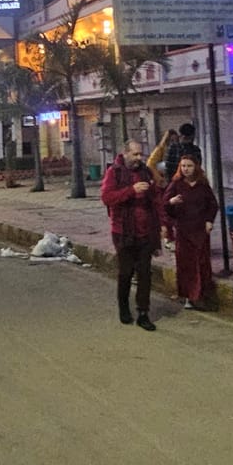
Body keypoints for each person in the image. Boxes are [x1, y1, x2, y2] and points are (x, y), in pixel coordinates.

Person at [101, 138, 166, 331]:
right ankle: (124, 308)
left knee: (145, 273)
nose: (138, 158)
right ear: (125, 153)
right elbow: (107, 197)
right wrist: (131, 190)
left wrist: (163, 224)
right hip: (123, 231)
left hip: (145, 231)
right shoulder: (115, 172)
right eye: (135, 154)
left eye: (140, 154)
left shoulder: (146, 172)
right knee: (126, 272)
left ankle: (143, 313)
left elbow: (156, 200)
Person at [164, 156, 220, 311]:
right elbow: (164, 205)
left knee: (202, 263)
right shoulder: (176, 184)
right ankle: (189, 297)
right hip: (183, 230)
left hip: (200, 230)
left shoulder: (202, 185)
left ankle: (202, 294)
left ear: (195, 167)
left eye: (189, 166)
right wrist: (171, 202)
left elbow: (212, 204)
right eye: (183, 166)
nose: (186, 169)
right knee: (186, 264)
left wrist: (209, 220)